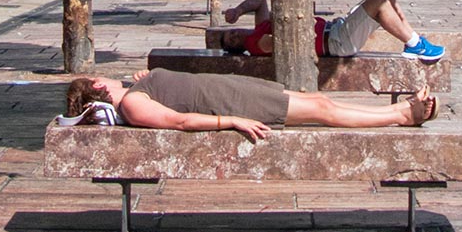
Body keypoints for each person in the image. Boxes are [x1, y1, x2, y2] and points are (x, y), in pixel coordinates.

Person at [68, 72, 435, 138]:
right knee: (322, 111)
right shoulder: (132, 104)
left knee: (320, 101)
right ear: (98, 85)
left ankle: (399, 112)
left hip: (232, 92)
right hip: (231, 103)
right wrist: (232, 121)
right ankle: (401, 116)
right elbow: (179, 121)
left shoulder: (135, 91)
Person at [223, 0, 447, 61]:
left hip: (337, 29)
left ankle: (413, 40)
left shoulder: (257, 27)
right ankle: (416, 44)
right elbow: (277, 42)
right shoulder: (253, 42)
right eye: (232, 41)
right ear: (237, 48)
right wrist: (285, 17)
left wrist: (238, 10)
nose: (234, 35)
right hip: (336, 42)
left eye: (230, 33)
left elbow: (260, 0)